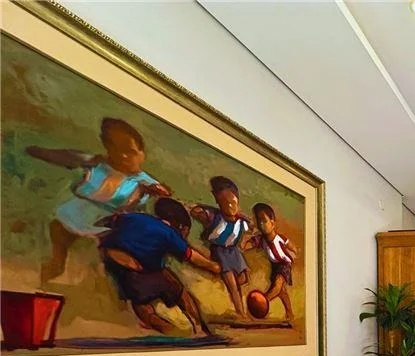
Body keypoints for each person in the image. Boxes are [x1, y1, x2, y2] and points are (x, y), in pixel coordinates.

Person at [25, 117, 171, 282]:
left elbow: (163, 204)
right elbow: (65, 156)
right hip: (69, 218)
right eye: (116, 149)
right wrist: (38, 152)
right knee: (56, 264)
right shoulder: (96, 163)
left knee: (101, 270)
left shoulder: (146, 183)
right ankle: (38, 283)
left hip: (104, 230)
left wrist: (158, 194)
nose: (123, 155)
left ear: (141, 154)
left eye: (129, 151)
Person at [99, 198, 219, 336]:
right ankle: (197, 328)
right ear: (179, 225)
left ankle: (169, 329)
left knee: (141, 303)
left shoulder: (135, 217)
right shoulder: (169, 232)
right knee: (180, 293)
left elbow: (111, 220)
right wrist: (212, 266)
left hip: (117, 261)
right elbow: (190, 255)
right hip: (143, 267)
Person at [190, 176, 251, 318]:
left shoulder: (241, 221)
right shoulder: (214, 217)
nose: (230, 206)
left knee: (243, 278)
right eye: (225, 203)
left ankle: (237, 303)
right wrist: (207, 211)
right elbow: (194, 211)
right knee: (232, 284)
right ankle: (241, 313)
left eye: (233, 202)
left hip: (234, 252)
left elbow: (250, 230)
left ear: (238, 201)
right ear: (218, 202)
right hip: (220, 251)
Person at [245, 202, 297, 321]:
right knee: (282, 291)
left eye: (264, 221)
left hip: (284, 264)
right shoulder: (260, 239)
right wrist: (248, 235)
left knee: (277, 286)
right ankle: (290, 313)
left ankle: (263, 302)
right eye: (259, 221)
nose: (261, 225)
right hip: (275, 266)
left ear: (272, 223)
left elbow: (291, 246)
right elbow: (246, 245)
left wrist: (294, 252)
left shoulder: (279, 238)